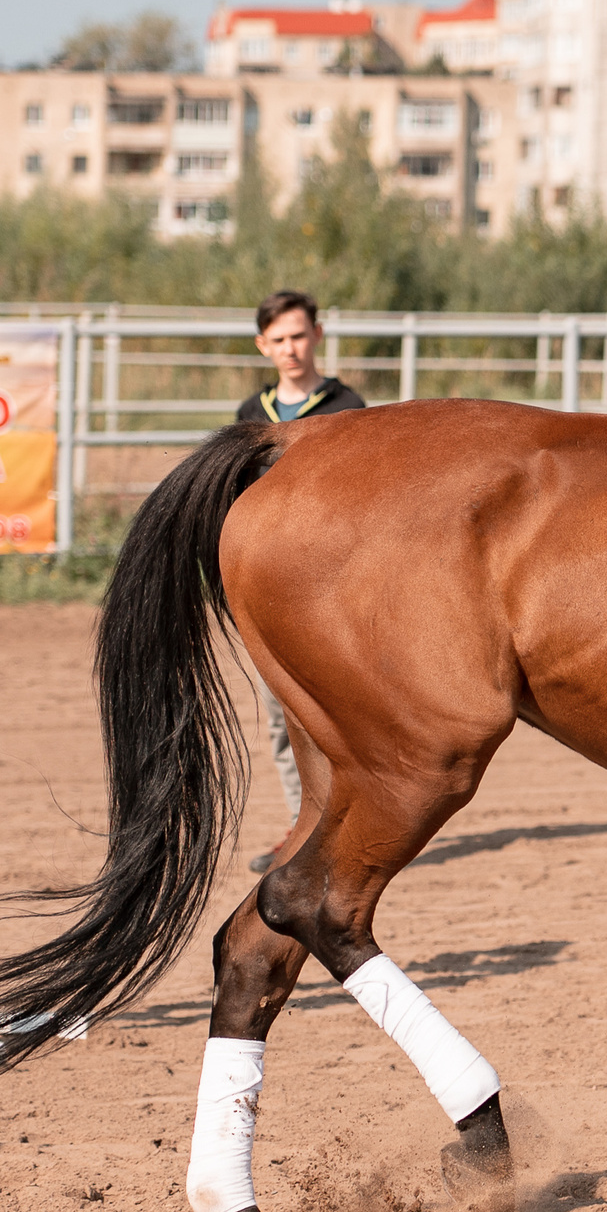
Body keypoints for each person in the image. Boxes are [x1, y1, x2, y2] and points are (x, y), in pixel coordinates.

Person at [238, 290, 365, 871]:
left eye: (298, 335)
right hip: (271, 591)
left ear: (317, 334)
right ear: (264, 345)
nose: (290, 348)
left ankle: (350, 823)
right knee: (279, 716)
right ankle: (303, 827)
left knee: (342, 715)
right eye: (279, 339)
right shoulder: (250, 414)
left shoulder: (346, 406)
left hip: (334, 588)